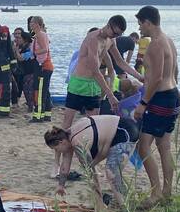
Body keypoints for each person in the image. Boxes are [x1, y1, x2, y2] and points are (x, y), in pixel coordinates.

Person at [57, 15, 143, 174]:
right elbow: (95, 71)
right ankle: (58, 165)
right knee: (66, 126)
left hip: (93, 88)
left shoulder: (111, 40)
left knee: (94, 125)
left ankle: (90, 167)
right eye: (113, 33)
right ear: (109, 25)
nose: (114, 37)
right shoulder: (92, 39)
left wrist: (139, 77)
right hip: (78, 84)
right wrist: (110, 95)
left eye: (117, 35)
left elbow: (121, 63)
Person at [132, 6, 180, 209]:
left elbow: (157, 77)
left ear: (148, 22)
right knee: (164, 147)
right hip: (172, 95)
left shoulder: (156, 45)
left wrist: (143, 104)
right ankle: (167, 192)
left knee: (143, 147)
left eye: (140, 23)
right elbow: (175, 70)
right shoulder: (169, 40)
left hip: (159, 99)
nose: (139, 28)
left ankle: (156, 193)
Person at [45, 114, 140, 210]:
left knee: (111, 173)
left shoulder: (78, 143)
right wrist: (61, 186)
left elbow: (91, 174)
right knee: (109, 172)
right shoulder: (67, 138)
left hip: (124, 130)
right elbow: (65, 166)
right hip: (115, 132)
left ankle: (125, 211)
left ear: (61, 142)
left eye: (56, 149)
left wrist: (99, 204)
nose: (58, 152)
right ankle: (105, 204)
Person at [29, 15, 54, 122]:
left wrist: (34, 53)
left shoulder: (40, 35)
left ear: (37, 24)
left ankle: (38, 115)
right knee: (44, 90)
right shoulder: (38, 35)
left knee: (39, 91)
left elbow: (44, 49)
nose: (30, 24)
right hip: (44, 66)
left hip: (42, 66)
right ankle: (47, 114)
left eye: (32, 22)